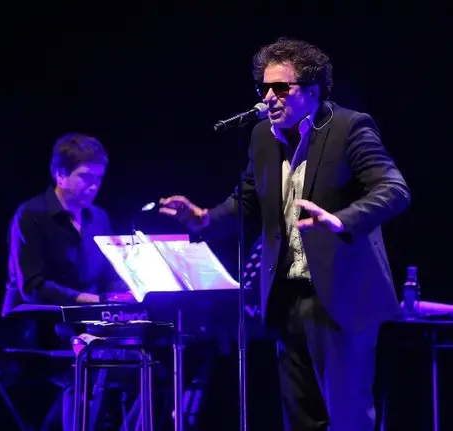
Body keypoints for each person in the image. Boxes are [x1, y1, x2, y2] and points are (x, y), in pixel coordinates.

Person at [160, 37, 411, 431]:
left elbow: (394, 190)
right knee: (301, 418)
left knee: (346, 418)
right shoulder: (262, 137)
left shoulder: (349, 127)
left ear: (313, 90)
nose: (270, 97)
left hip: (341, 296)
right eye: (264, 88)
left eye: (282, 87)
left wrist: (341, 220)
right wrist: (203, 218)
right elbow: (246, 202)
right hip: (285, 298)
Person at [1, 132, 126, 430]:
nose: (94, 186)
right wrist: (90, 301)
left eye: (99, 178)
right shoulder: (30, 215)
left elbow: (109, 278)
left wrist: (126, 293)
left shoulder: (99, 218)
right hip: (35, 329)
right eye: (86, 177)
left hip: (84, 326)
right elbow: (32, 287)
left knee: (142, 365)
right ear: (60, 174)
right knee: (83, 369)